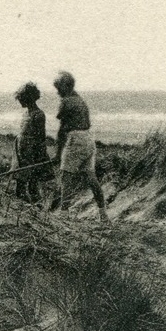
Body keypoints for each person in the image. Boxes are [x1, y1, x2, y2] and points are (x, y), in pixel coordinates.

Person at [51, 71, 108, 221]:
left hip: (75, 139)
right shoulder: (80, 100)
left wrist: (57, 154)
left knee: (66, 176)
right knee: (91, 178)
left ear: (66, 86)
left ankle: (63, 214)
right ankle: (103, 214)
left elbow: (62, 130)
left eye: (59, 88)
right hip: (89, 139)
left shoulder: (67, 101)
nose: (57, 92)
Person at [10, 82, 51, 202]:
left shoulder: (38, 114)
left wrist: (40, 157)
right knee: (20, 184)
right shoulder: (25, 114)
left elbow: (41, 138)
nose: (20, 102)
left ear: (28, 98)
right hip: (20, 153)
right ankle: (23, 208)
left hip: (32, 154)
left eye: (21, 99)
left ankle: (36, 210)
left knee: (32, 185)